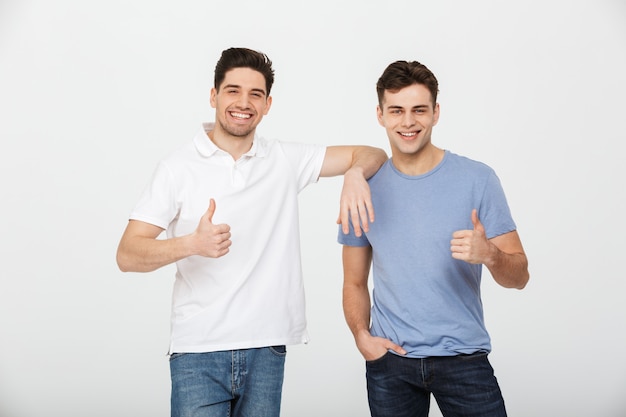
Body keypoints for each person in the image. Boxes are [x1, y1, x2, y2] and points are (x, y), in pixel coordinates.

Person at [116, 47, 387, 417]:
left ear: (267, 104)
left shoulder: (285, 159)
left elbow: (372, 153)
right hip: (198, 350)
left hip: (267, 348)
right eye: (233, 91)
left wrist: (354, 174)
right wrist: (191, 243)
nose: (243, 102)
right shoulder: (176, 167)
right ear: (213, 96)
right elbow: (128, 254)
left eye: (255, 94)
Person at [339, 59, 529, 417]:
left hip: (463, 359)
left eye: (418, 110)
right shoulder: (361, 190)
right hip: (390, 363)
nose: (407, 122)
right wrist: (362, 338)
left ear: (436, 113)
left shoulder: (477, 179)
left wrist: (489, 253)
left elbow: (519, 276)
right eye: (396, 110)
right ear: (380, 115)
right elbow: (353, 282)